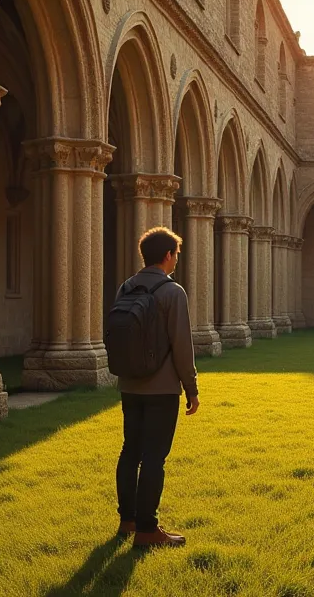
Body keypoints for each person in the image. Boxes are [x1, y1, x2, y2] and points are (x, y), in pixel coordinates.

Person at [114, 226, 200, 549]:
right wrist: (191, 389)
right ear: (167, 255)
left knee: (130, 451)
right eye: (176, 254)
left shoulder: (125, 288)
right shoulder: (172, 292)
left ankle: (128, 520)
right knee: (154, 457)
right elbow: (182, 346)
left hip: (129, 385)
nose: (177, 260)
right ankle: (148, 530)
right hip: (162, 390)